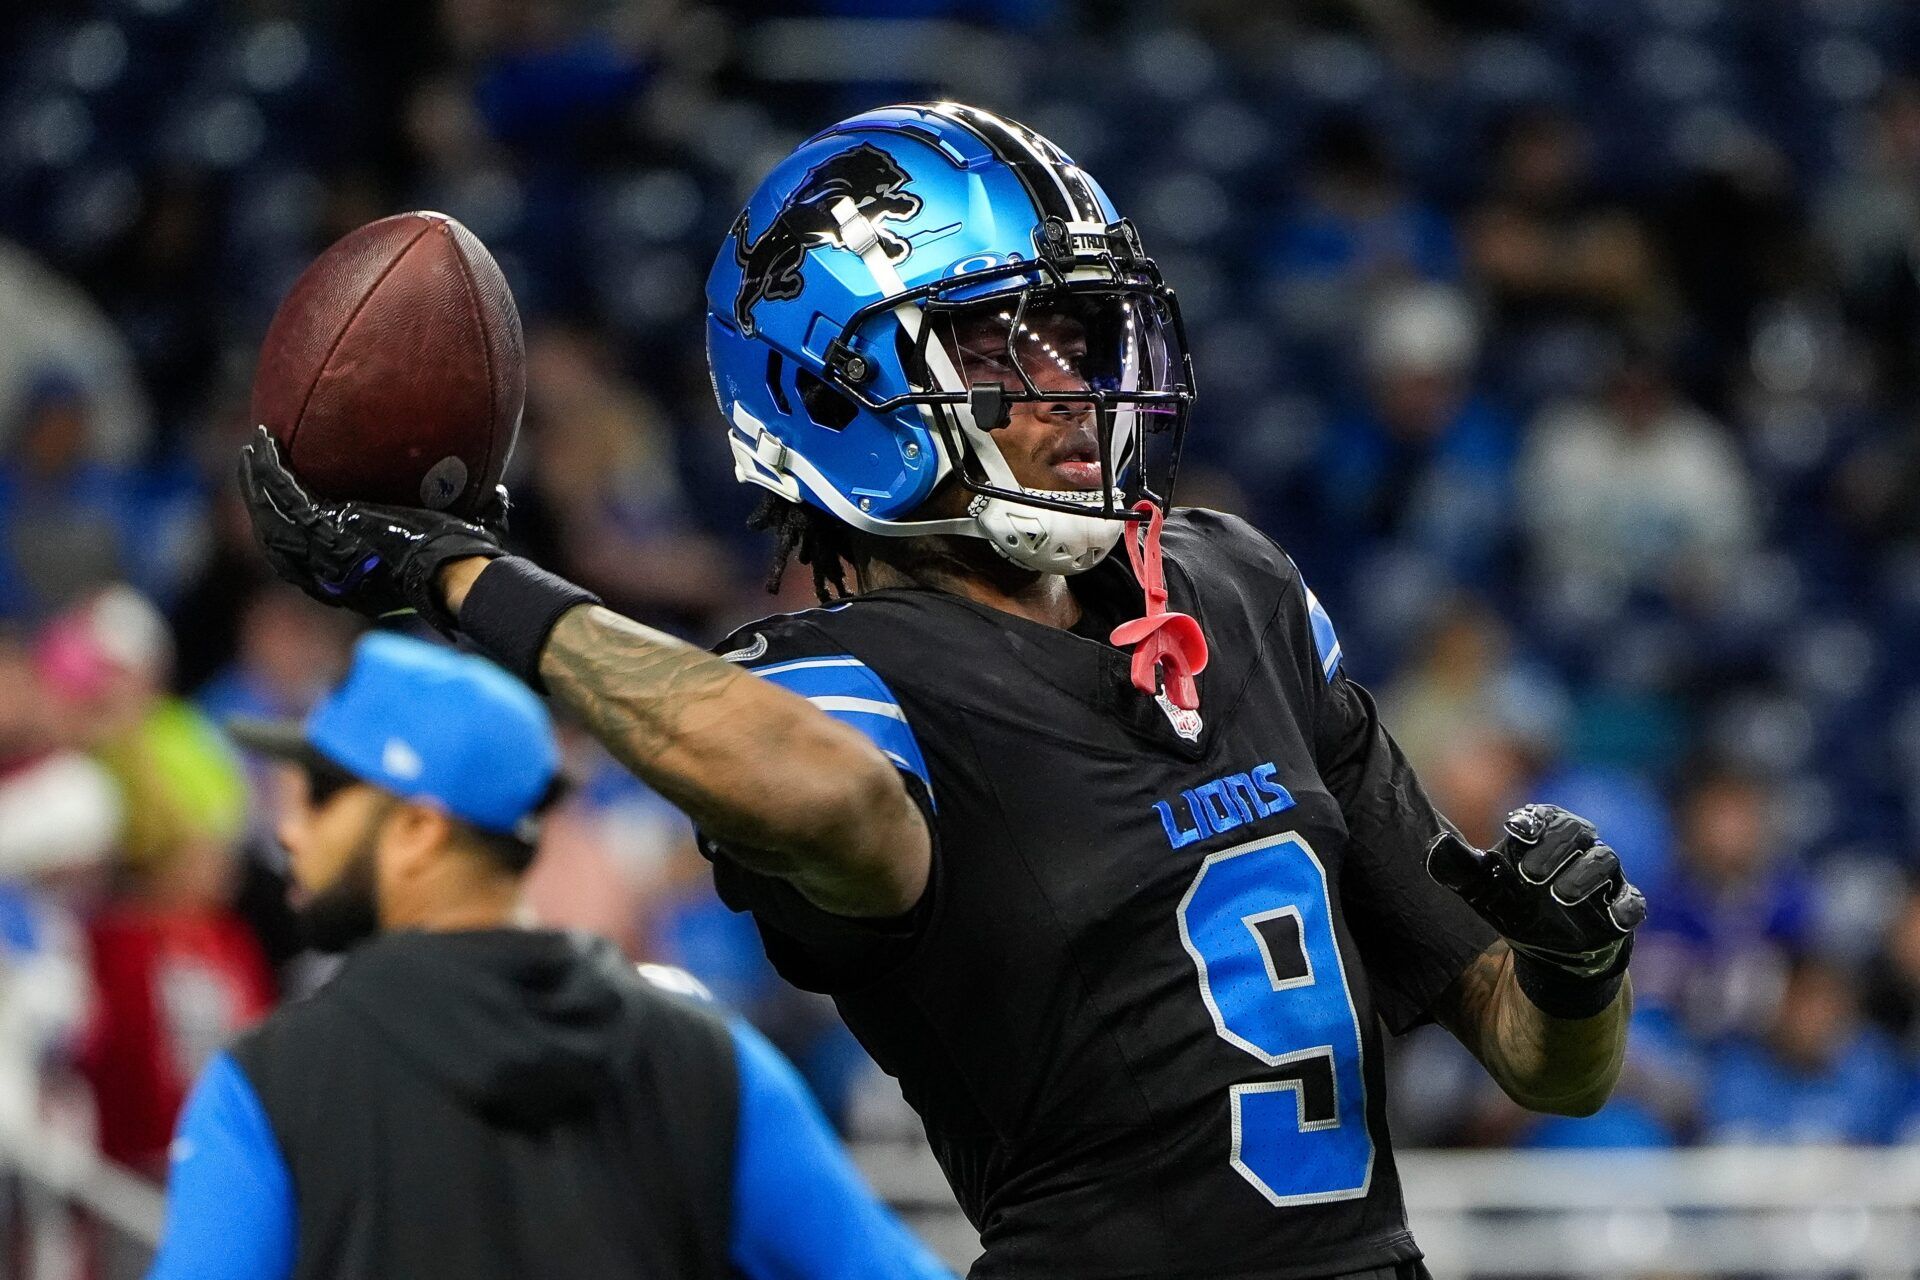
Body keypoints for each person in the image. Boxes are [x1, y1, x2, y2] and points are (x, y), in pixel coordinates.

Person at [238, 103, 1648, 1279]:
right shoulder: (837, 684)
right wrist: (466, 577)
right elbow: (826, 791)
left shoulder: (1237, 590)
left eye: (1069, 338)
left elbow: (1543, 1063)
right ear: (831, 393)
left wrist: (1578, 971)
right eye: (991, 350)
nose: (1059, 390)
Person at [147, 631, 951, 1280]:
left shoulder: (270, 1084)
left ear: (420, 831)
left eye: (322, 794)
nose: (291, 829)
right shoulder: (709, 1061)